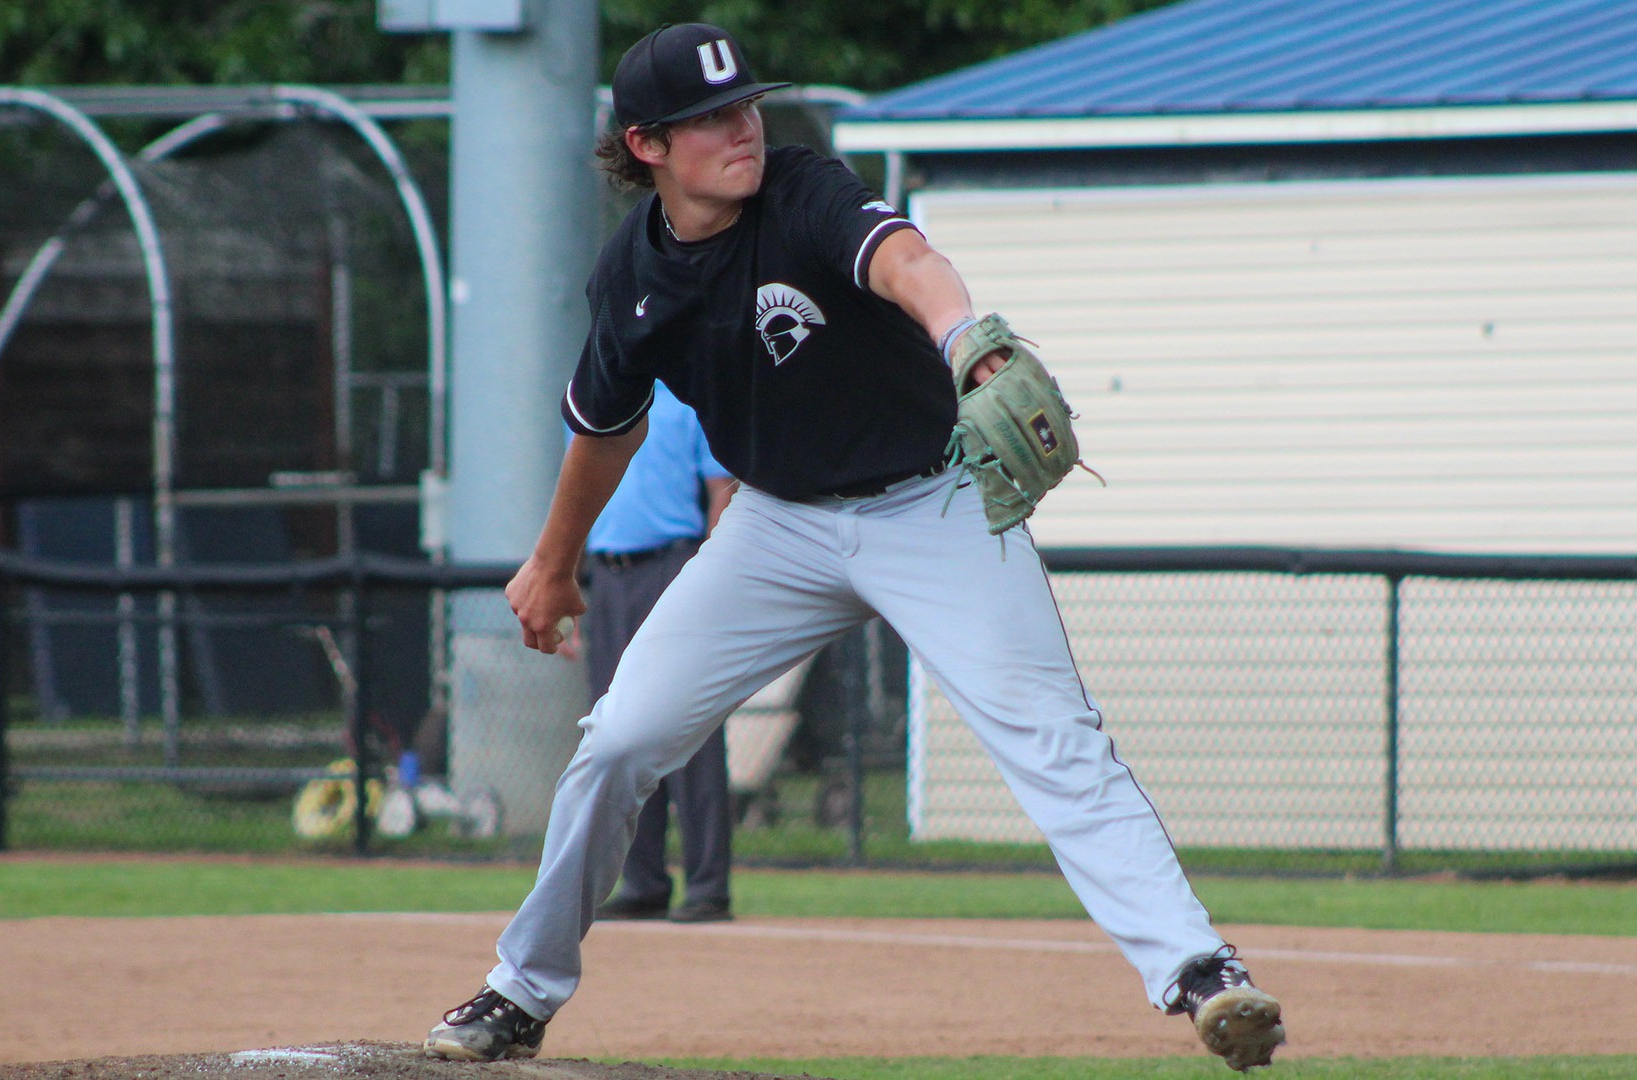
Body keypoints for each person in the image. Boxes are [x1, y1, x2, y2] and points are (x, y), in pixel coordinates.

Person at [424, 22, 1286, 1073]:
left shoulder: (803, 191)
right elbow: (606, 428)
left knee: (1053, 739)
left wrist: (965, 339)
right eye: (711, 118)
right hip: (777, 525)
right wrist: (553, 565)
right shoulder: (633, 278)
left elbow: (908, 261)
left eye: (746, 104)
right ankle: (520, 991)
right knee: (617, 741)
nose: (743, 126)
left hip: (934, 505)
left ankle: (1201, 973)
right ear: (647, 145)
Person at [578, 381, 737, 925]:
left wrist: (711, 574)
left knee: (691, 730)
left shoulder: (689, 399)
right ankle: (643, 882)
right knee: (618, 730)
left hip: (672, 566)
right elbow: (578, 493)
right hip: (607, 575)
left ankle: (708, 886)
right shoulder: (597, 398)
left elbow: (722, 489)